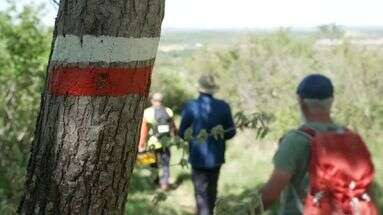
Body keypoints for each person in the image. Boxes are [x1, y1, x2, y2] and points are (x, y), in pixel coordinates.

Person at [259, 74, 377, 214]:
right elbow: (366, 188)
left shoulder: (295, 141)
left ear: (301, 102)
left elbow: (270, 195)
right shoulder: (351, 137)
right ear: (331, 101)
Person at [179, 75, 236, 215]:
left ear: (199, 89)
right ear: (213, 90)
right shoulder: (224, 106)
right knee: (212, 190)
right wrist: (218, 136)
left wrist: (194, 138)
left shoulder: (191, 106)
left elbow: (182, 132)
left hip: (197, 157)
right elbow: (231, 132)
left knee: (201, 193)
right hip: (216, 157)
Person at [138, 92, 177, 191]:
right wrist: (176, 137)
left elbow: (144, 130)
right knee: (165, 164)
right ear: (162, 101)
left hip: (152, 143)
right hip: (165, 143)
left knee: (153, 164)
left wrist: (141, 144)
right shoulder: (168, 111)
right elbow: (173, 127)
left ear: (152, 101)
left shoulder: (147, 112)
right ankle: (165, 184)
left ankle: (155, 182)